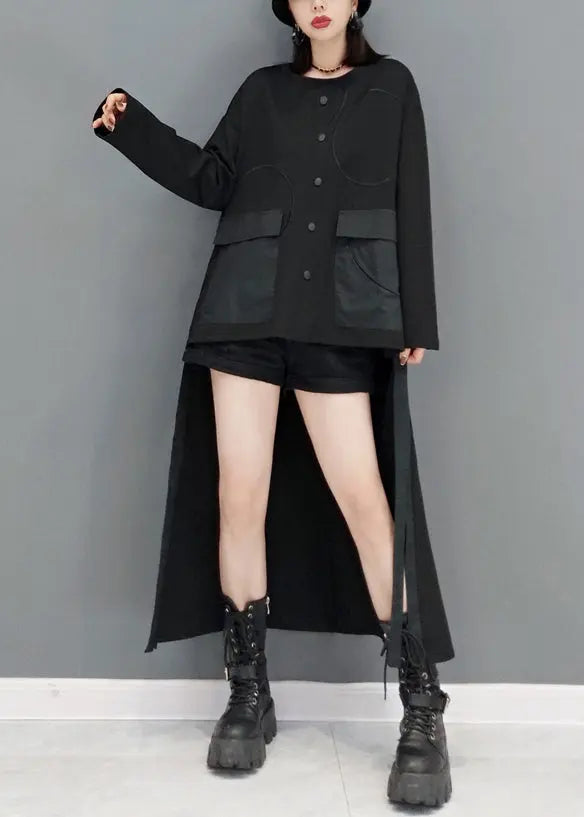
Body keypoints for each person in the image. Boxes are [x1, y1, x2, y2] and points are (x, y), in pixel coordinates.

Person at [91, 0, 455, 806]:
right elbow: (213, 179)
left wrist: (417, 318)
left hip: (342, 314)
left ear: (357, 2)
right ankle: (248, 691)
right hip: (244, 311)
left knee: (366, 499)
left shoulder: (392, 87)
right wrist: (132, 127)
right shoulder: (261, 92)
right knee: (239, 494)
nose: (318, 1)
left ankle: (422, 707)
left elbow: (413, 195)